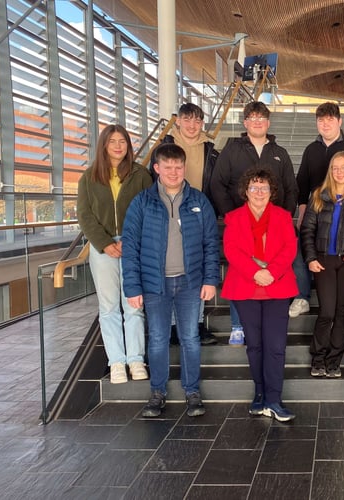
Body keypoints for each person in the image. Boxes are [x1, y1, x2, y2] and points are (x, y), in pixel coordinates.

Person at [122, 143, 219, 418]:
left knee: (190, 338)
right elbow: (130, 247)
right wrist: (132, 287)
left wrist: (210, 280)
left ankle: (192, 392)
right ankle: (157, 393)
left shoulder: (199, 201)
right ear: (157, 169)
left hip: (190, 283)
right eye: (168, 167)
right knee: (158, 339)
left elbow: (211, 243)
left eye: (178, 167)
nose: (174, 172)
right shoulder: (142, 202)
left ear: (184, 168)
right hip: (155, 284)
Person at [210, 101, 298, 346]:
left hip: (274, 226)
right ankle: (238, 325)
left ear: (268, 123)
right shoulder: (232, 149)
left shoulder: (279, 152)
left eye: (262, 118)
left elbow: (291, 188)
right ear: (245, 122)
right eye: (252, 117)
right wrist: (231, 216)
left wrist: (284, 219)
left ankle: (267, 323)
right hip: (241, 224)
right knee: (242, 270)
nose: (257, 122)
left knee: (270, 270)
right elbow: (218, 184)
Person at [222, 167, 298, 422]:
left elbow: (290, 248)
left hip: (277, 286)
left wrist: (271, 273)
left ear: (271, 192)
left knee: (275, 346)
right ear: (246, 191)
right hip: (246, 287)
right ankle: (259, 393)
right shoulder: (234, 218)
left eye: (263, 188)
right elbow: (231, 249)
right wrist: (256, 272)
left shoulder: (283, 216)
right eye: (254, 187)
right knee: (254, 345)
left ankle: (274, 399)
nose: (258, 192)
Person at [77, 124, 152, 385]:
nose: (118, 146)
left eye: (123, 141)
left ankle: (136, 359)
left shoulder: (140, 174)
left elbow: (149, 210)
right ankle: (117, 362)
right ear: (104, 146)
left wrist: (133, 242)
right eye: (113, 142)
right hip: (103, 248)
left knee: (133, 304)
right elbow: (84, 215)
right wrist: (105, 243)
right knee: (109, 307)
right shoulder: (89, 177)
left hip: (134, 246)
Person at [293, 102, 344, 319]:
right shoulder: (311, 150)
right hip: (316, 213)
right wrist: (302, 211)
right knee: (301, 242)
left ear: (339, 121)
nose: (325, 124)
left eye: (329, 119)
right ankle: (302, 296)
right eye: (321, 120)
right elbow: (303, 183)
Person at [152, 102, 219, 346]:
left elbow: (216, 184)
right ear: (177, 121)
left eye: (197, 121)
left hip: (197, 214)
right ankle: (171, 327)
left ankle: (197, 324)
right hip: (167, 212)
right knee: (169, 269)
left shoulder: (210, 149)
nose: (192, 125)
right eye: (187, 120)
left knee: (196, 268)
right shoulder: (163, 147)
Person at [300, 151, 344, 378]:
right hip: (323, 261)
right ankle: (318, 358)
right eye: (334, 168)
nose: (339, 172)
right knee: (327, 312)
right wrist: (310, 258)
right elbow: (307, 230)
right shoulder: (319, 196)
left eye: (343, 167)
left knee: (342, 312)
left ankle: (334, 361)